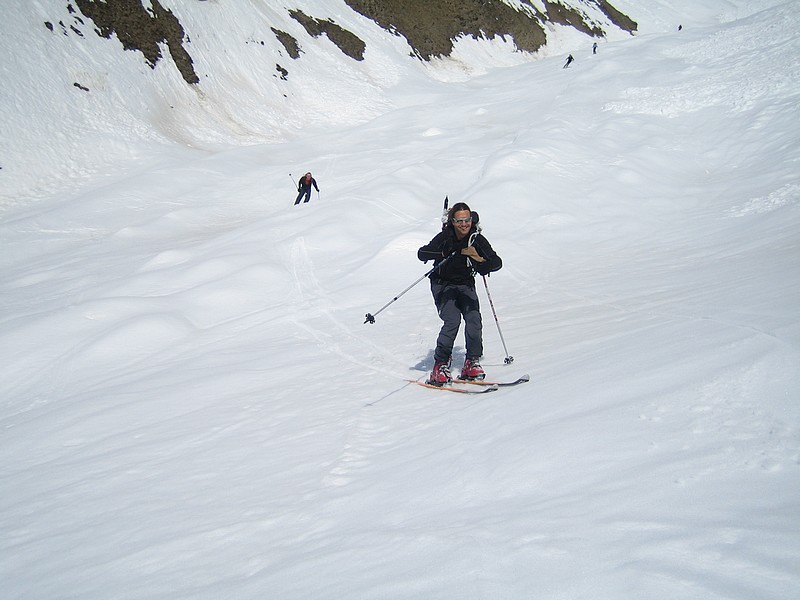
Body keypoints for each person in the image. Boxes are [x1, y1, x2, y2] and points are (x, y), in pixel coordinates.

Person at [417, 202, 502, 385]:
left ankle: (472, 361)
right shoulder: (445, 237)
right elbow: (422, 253)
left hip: (465, 284)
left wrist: (481, 263)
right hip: (442, 284)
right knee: (452, 320)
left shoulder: (476, 239)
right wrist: (446, 251)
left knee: (473, 319)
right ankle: (440, 364)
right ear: (453, 221)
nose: (464, 224)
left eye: (467, 220)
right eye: (459, 220)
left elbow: (496, 262)